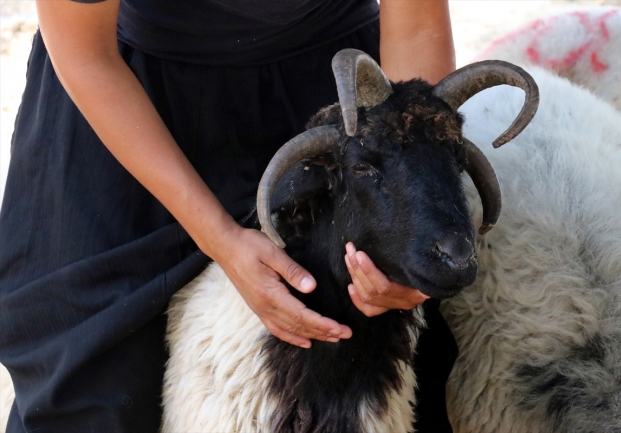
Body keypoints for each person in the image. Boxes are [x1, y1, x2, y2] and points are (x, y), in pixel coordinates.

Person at [0, 0, 458, 431]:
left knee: (413, 369)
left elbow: (416, 25)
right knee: (91, 391)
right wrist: (219, 236)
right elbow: (84, 53)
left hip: (339, 109)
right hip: (128, 101)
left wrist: (412, 213)